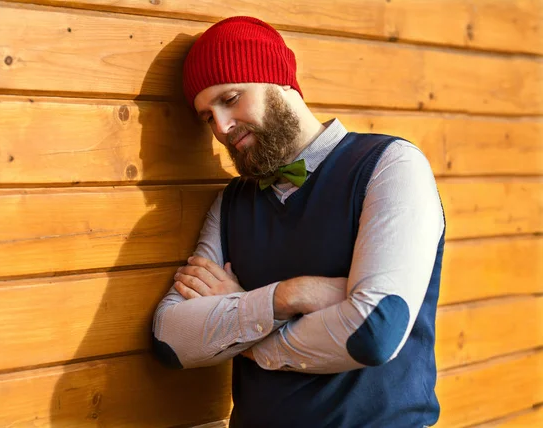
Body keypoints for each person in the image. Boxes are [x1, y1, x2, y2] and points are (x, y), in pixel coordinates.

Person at [152, 16, 445, 428]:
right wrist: (287, 297)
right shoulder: (231, 203)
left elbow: (373, 332)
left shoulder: (390, 166)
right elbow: (171, 338)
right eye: (206, 117)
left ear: (279, 82)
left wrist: (244, 333)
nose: (221, 127)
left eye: (231, 98)